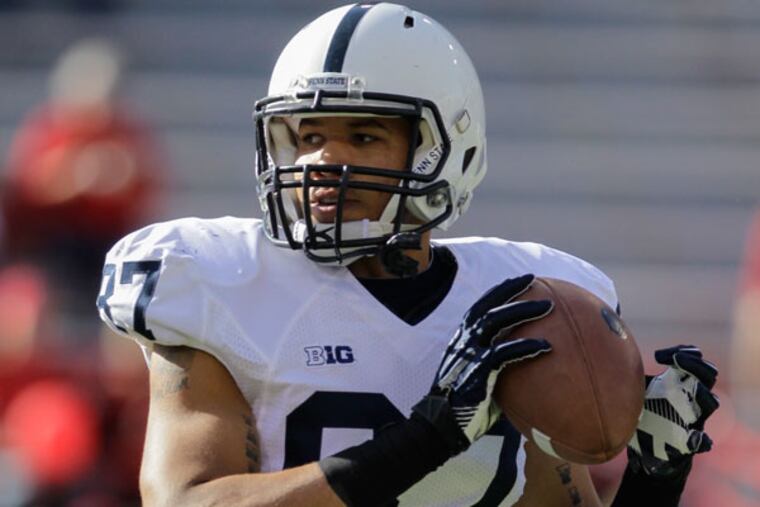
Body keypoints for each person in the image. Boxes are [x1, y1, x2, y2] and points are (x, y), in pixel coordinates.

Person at [96, 3, 719, 506]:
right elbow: (188, 501)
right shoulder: (222, 281)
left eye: (363, 135)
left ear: (444, 151)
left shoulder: (521, 303)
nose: (320, 162)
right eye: (308, 137)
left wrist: (653, 480)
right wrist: (428, 438)